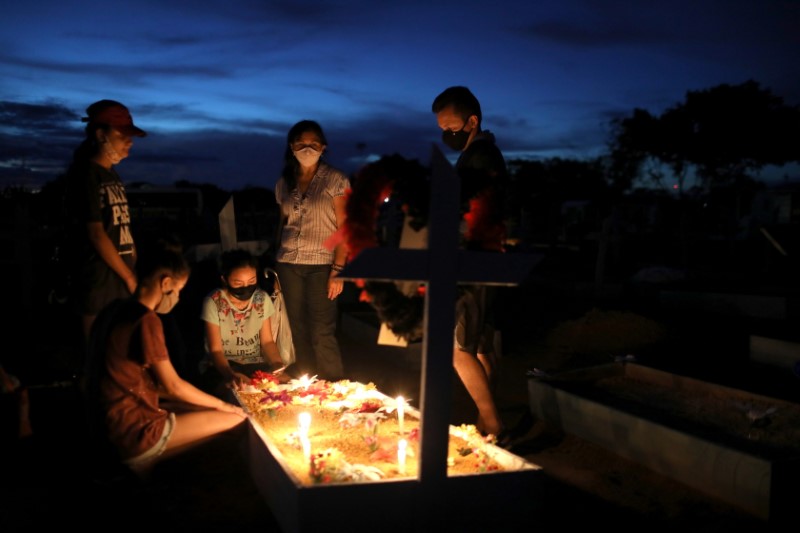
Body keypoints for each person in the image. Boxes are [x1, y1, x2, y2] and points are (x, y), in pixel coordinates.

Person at [88, 237, 247, 479]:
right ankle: (147, 465)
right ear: (166, 282)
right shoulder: (146, 320)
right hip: (133, 429)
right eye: (178, 291)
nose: (178, 299)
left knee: (198, 408)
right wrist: (223, 405)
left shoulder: (114, 309)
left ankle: (145, 468)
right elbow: (173, 386)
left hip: (106, 424)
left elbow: (136, 381)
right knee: (237, 421)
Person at [431, 86, 510, 443]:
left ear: (472, 121)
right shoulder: (481, 154)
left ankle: (493, 425)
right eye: (441, 128)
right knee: (478, 346)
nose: (446, 134)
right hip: (485, 258)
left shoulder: (480, 157)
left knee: (457, 348)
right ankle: (484, 420)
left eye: (451, 127)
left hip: (473, 260)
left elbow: (476, 209)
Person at [63, 99, 144, 366]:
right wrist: (128, 276)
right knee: (96, 352)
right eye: (122, 135)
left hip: (119, 277)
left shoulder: (112, 176)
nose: (128, 142)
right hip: (98, 278)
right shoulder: (86, 175)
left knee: (118, 350)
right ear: (100, 135)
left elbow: (121, 227)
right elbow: (96, 233)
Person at [273, 120, 349, 381]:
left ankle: (334, 385)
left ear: (323, 147)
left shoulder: (336, 179)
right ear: (291, 146)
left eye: (313, 144)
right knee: (298, 326)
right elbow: (282, 225)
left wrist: (338, 269)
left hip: (322, 264)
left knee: (322, 330)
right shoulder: (285, 182)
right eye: (301, 144)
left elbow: (345, 227)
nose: (307, 148)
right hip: (288, 263)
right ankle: (307, 380)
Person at [199, 248, 287, 395]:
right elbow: (216, 350)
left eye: (252, 281)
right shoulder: (214, 302)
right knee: (238, 391)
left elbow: (267, 342)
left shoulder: (261, 299)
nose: (246, 288)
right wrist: (230, 374)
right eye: (238, 283)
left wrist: (277, 365)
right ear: (224, 279)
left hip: (255, 364)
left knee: (285, 387)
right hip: (223, 365)